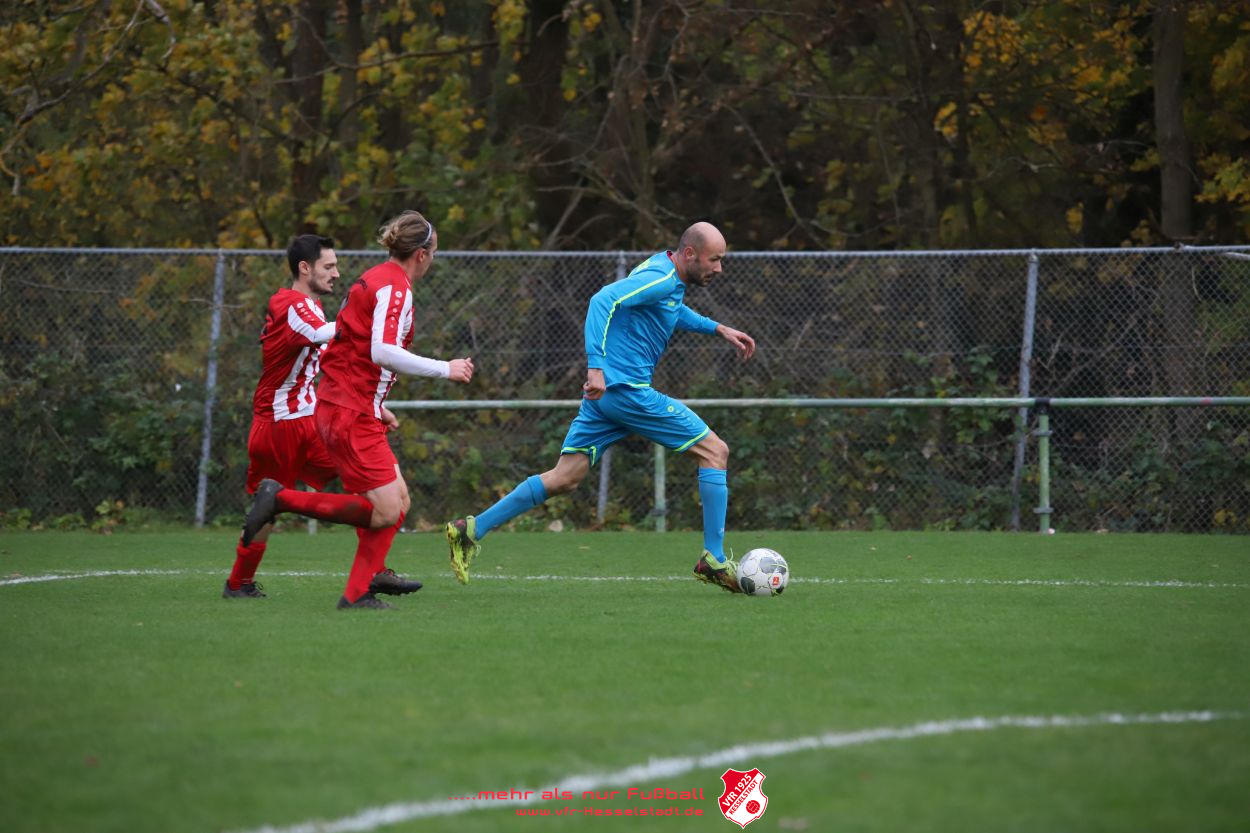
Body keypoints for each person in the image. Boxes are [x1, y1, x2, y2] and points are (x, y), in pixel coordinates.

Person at [444, 221, 755, 592]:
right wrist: (595, 367)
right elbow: (601, 301)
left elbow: (671, 310)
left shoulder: (664, 273)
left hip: (605, 397)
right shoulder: (661, 278)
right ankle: (713, 559)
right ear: (690, 254)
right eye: (714, 259)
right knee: (715, 451)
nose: (719, 267)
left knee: (564, 477)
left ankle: (470, 529)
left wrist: (717, 328)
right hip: (626, 391)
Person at [240, 211, 474, 610]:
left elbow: (348, 347)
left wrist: (377, 404)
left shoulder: (375, 277)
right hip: (348, 412)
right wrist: (444, 368)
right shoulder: (394, 288)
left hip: (348, 406)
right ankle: (282, 501)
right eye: (433, 253)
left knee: (398, 500)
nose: (432, 260)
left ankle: (363, 587)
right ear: (421, 254)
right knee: (385, 510)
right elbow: (381, 351)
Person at [224, 234, 422, 601]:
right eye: (328, 266)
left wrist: (372, 405)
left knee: (375, 485)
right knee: (270, 505)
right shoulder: (290, 303)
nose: (336, 273)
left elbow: (331, 359)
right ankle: (239, 583)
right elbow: (325, 333)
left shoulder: (309, 306)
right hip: (281, 424)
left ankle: (373, 572)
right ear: (305, 268)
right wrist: (366, 313)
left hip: (308, 417)